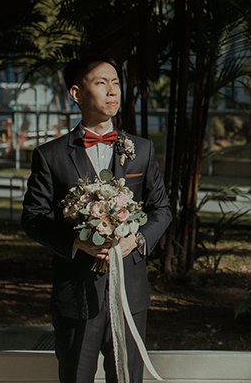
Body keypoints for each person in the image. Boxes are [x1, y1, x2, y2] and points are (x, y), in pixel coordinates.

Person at [22, 57, 172, 383]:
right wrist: (76, 242)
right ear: (77, 93)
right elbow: (33, 217)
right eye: (101, 83)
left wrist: (137, 239)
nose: (112, 91)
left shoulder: (141, 150)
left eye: (115, 82)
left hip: (129, 292)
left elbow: (161, 209)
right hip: (77, 293)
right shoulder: (51, 155)